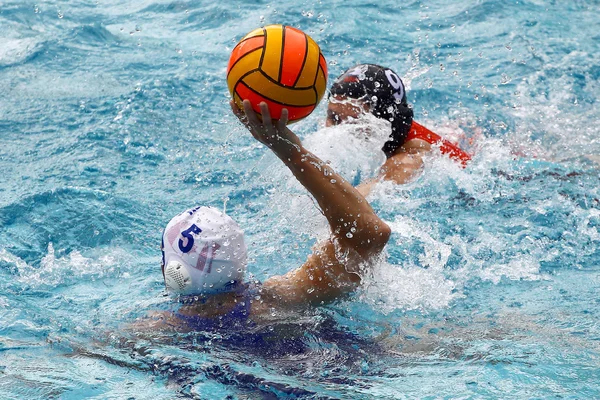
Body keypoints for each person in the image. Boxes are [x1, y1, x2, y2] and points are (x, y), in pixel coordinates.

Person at [144, 100, 391, 332]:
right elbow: (369, 233)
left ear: (177, 273)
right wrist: (292, 152)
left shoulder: (159, 330)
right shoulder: (284, 300)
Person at [325, 64, 472, 196]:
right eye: (334, 118)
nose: (339, 130)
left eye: (354, 122)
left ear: (382, 122)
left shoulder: (407, 160)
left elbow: (353, 206)